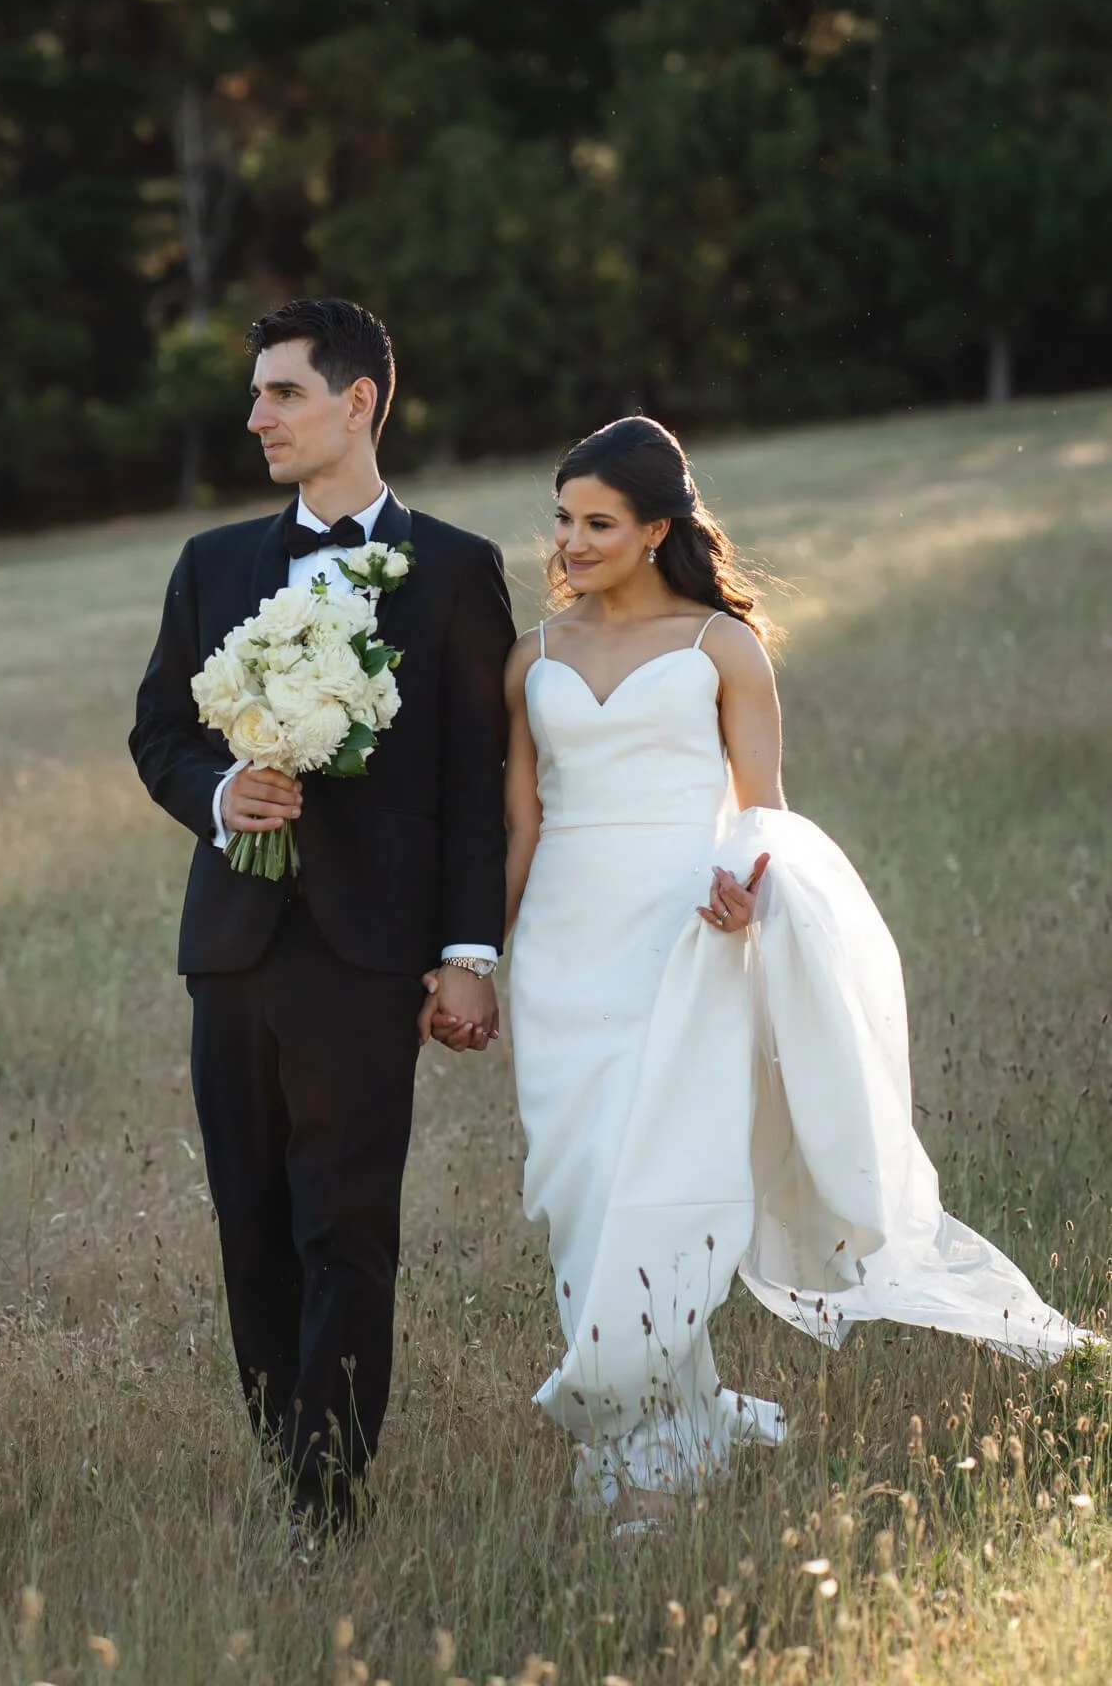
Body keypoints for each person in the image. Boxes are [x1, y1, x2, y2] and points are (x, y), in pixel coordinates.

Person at [431, 414, 1097, 1531]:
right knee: (580, 1192)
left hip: (684, 940)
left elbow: (762, 812)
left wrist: (748, 887)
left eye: (597, 521)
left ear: (655, 529)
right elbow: (520, 825)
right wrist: (474, 961)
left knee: (662, 1183)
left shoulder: (720, 647)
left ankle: (640, 1453)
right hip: (562, 952)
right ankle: (675, 1412)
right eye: (562, 518)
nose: (570, 540)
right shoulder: (532, 655)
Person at [129, 299, 514, 1536]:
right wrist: (219, 791)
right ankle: (287, 1449)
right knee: (250, 1226)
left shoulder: (454, 569)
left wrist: (465, 953)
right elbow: (160, 735)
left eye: (281, 393)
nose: (256, 417)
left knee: (345, 1225)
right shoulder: (213, 564)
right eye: (255, 395)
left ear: (356, 401)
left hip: (365, 951)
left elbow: (473, 781)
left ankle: (324, 1499)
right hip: (233, 947)